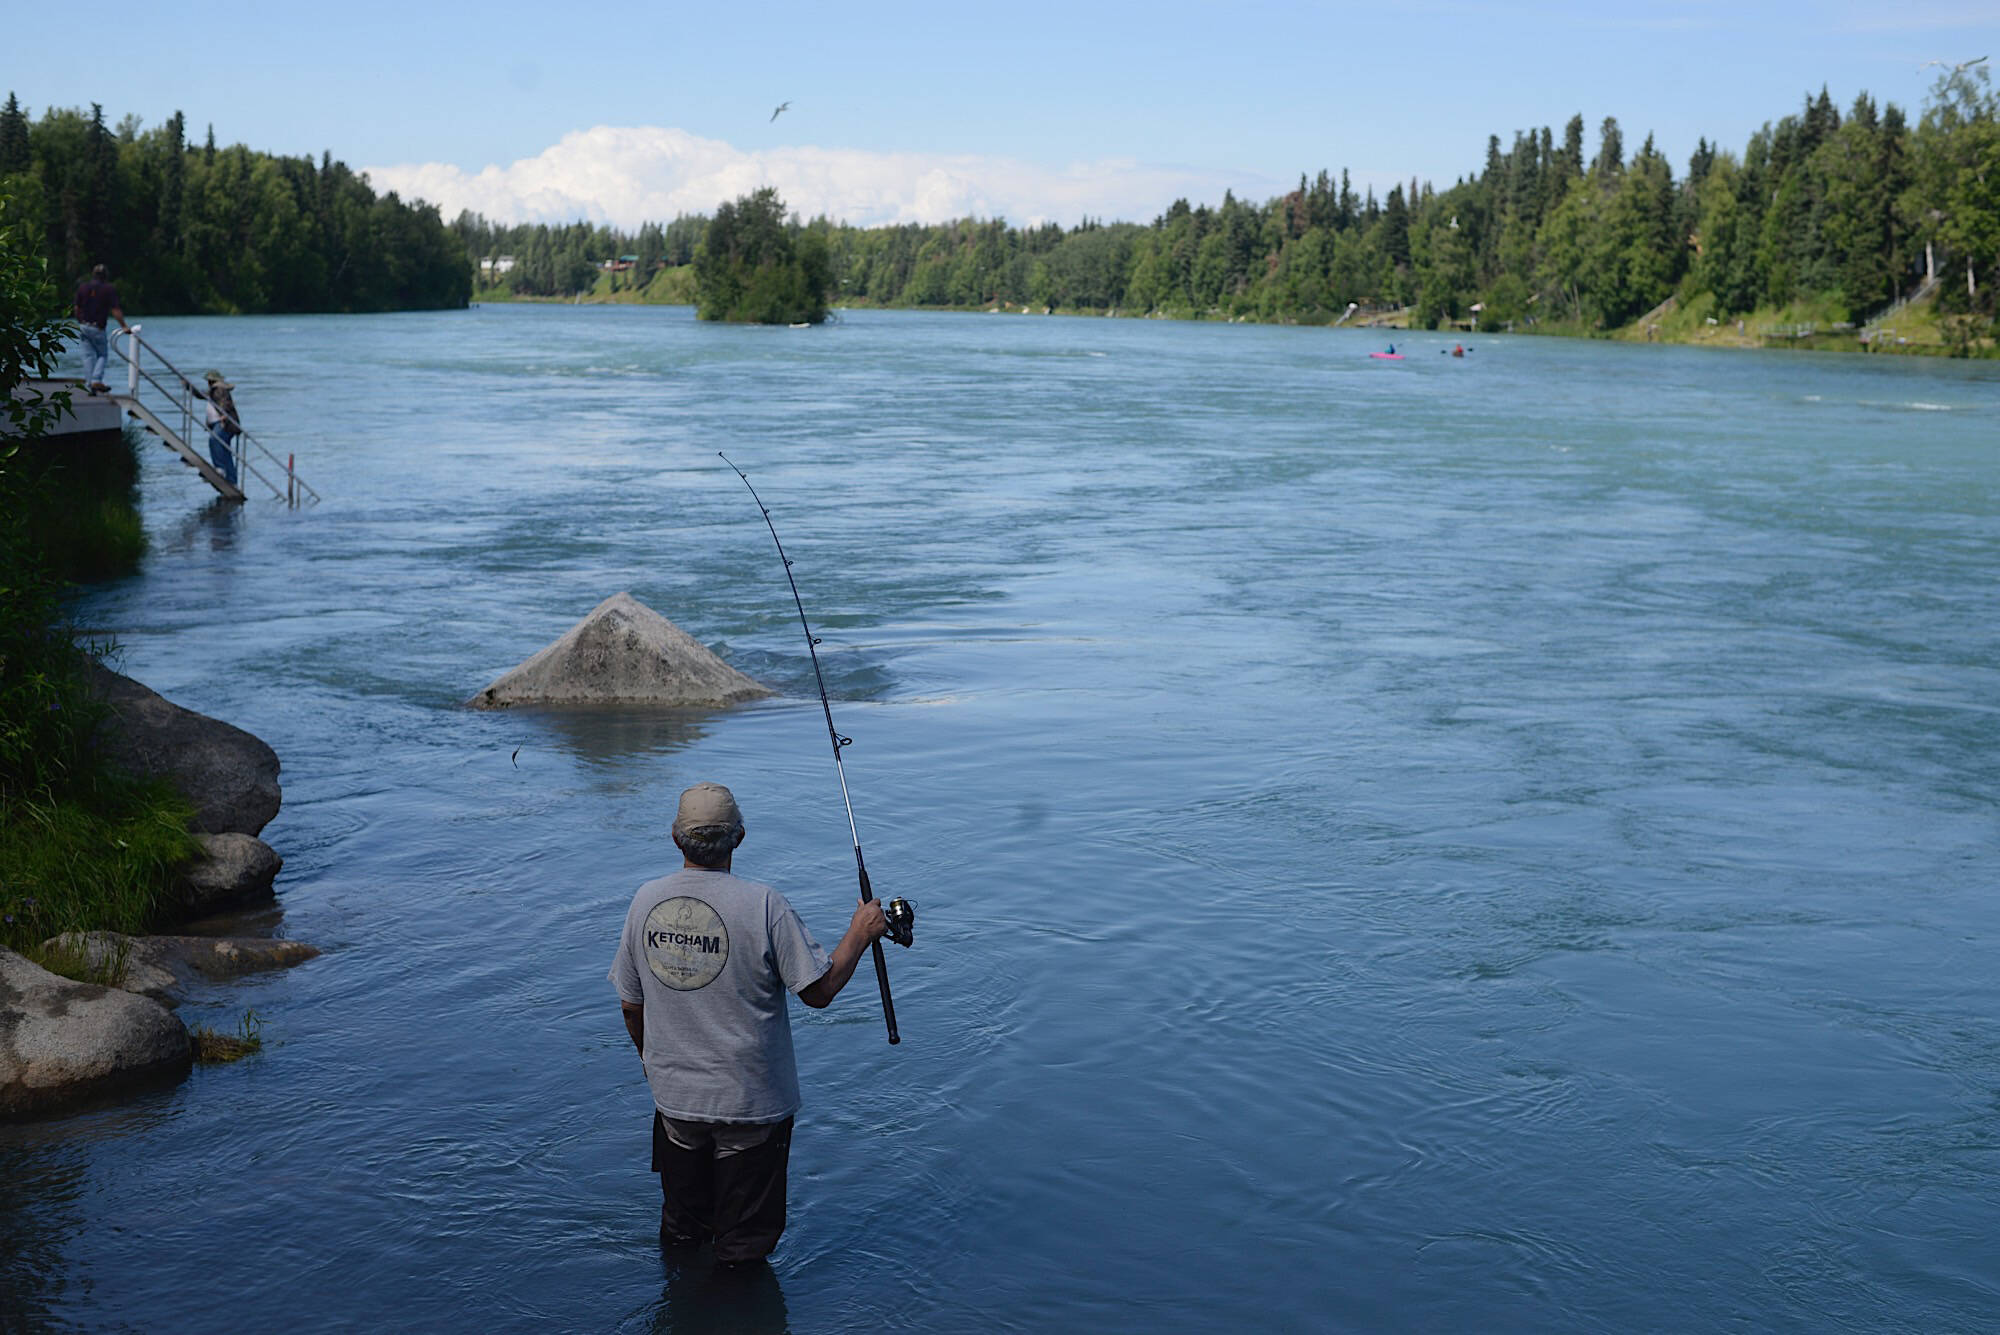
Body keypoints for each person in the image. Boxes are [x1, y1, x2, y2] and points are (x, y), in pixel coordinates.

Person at [610, 782, 887, 1264]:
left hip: (676, 1105)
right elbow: (818, 992)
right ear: (739, 837)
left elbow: (631, 1007)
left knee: (682, 1233)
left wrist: (652, 1063)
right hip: (751, 1109)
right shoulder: (764, 904)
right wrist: (860, 933)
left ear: (676, 839)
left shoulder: (644, 902)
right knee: (743, 1250)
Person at [72, 264, 129, 393]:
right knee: (102, 355)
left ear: (93, 275)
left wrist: (80, 321)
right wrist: (124, 326)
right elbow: (115, 310)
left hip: (83, 326)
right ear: (105, 276)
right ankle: (96, 380)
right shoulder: (108, 289)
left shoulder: (83, 288)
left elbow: (77, 308)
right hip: (97, 327)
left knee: (87, 357)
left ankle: (89, 385)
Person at [199, 370, 241, 488]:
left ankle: (220, 469)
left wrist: (223, 416)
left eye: (208, 381)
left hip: (224, 423)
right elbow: (202, 395)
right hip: (223, 423)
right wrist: (188, 387)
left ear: (211, 381)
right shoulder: (214, 390)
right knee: (225, 452)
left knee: (214, 440)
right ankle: (232, 481)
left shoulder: (219, 389)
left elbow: (224, 403)